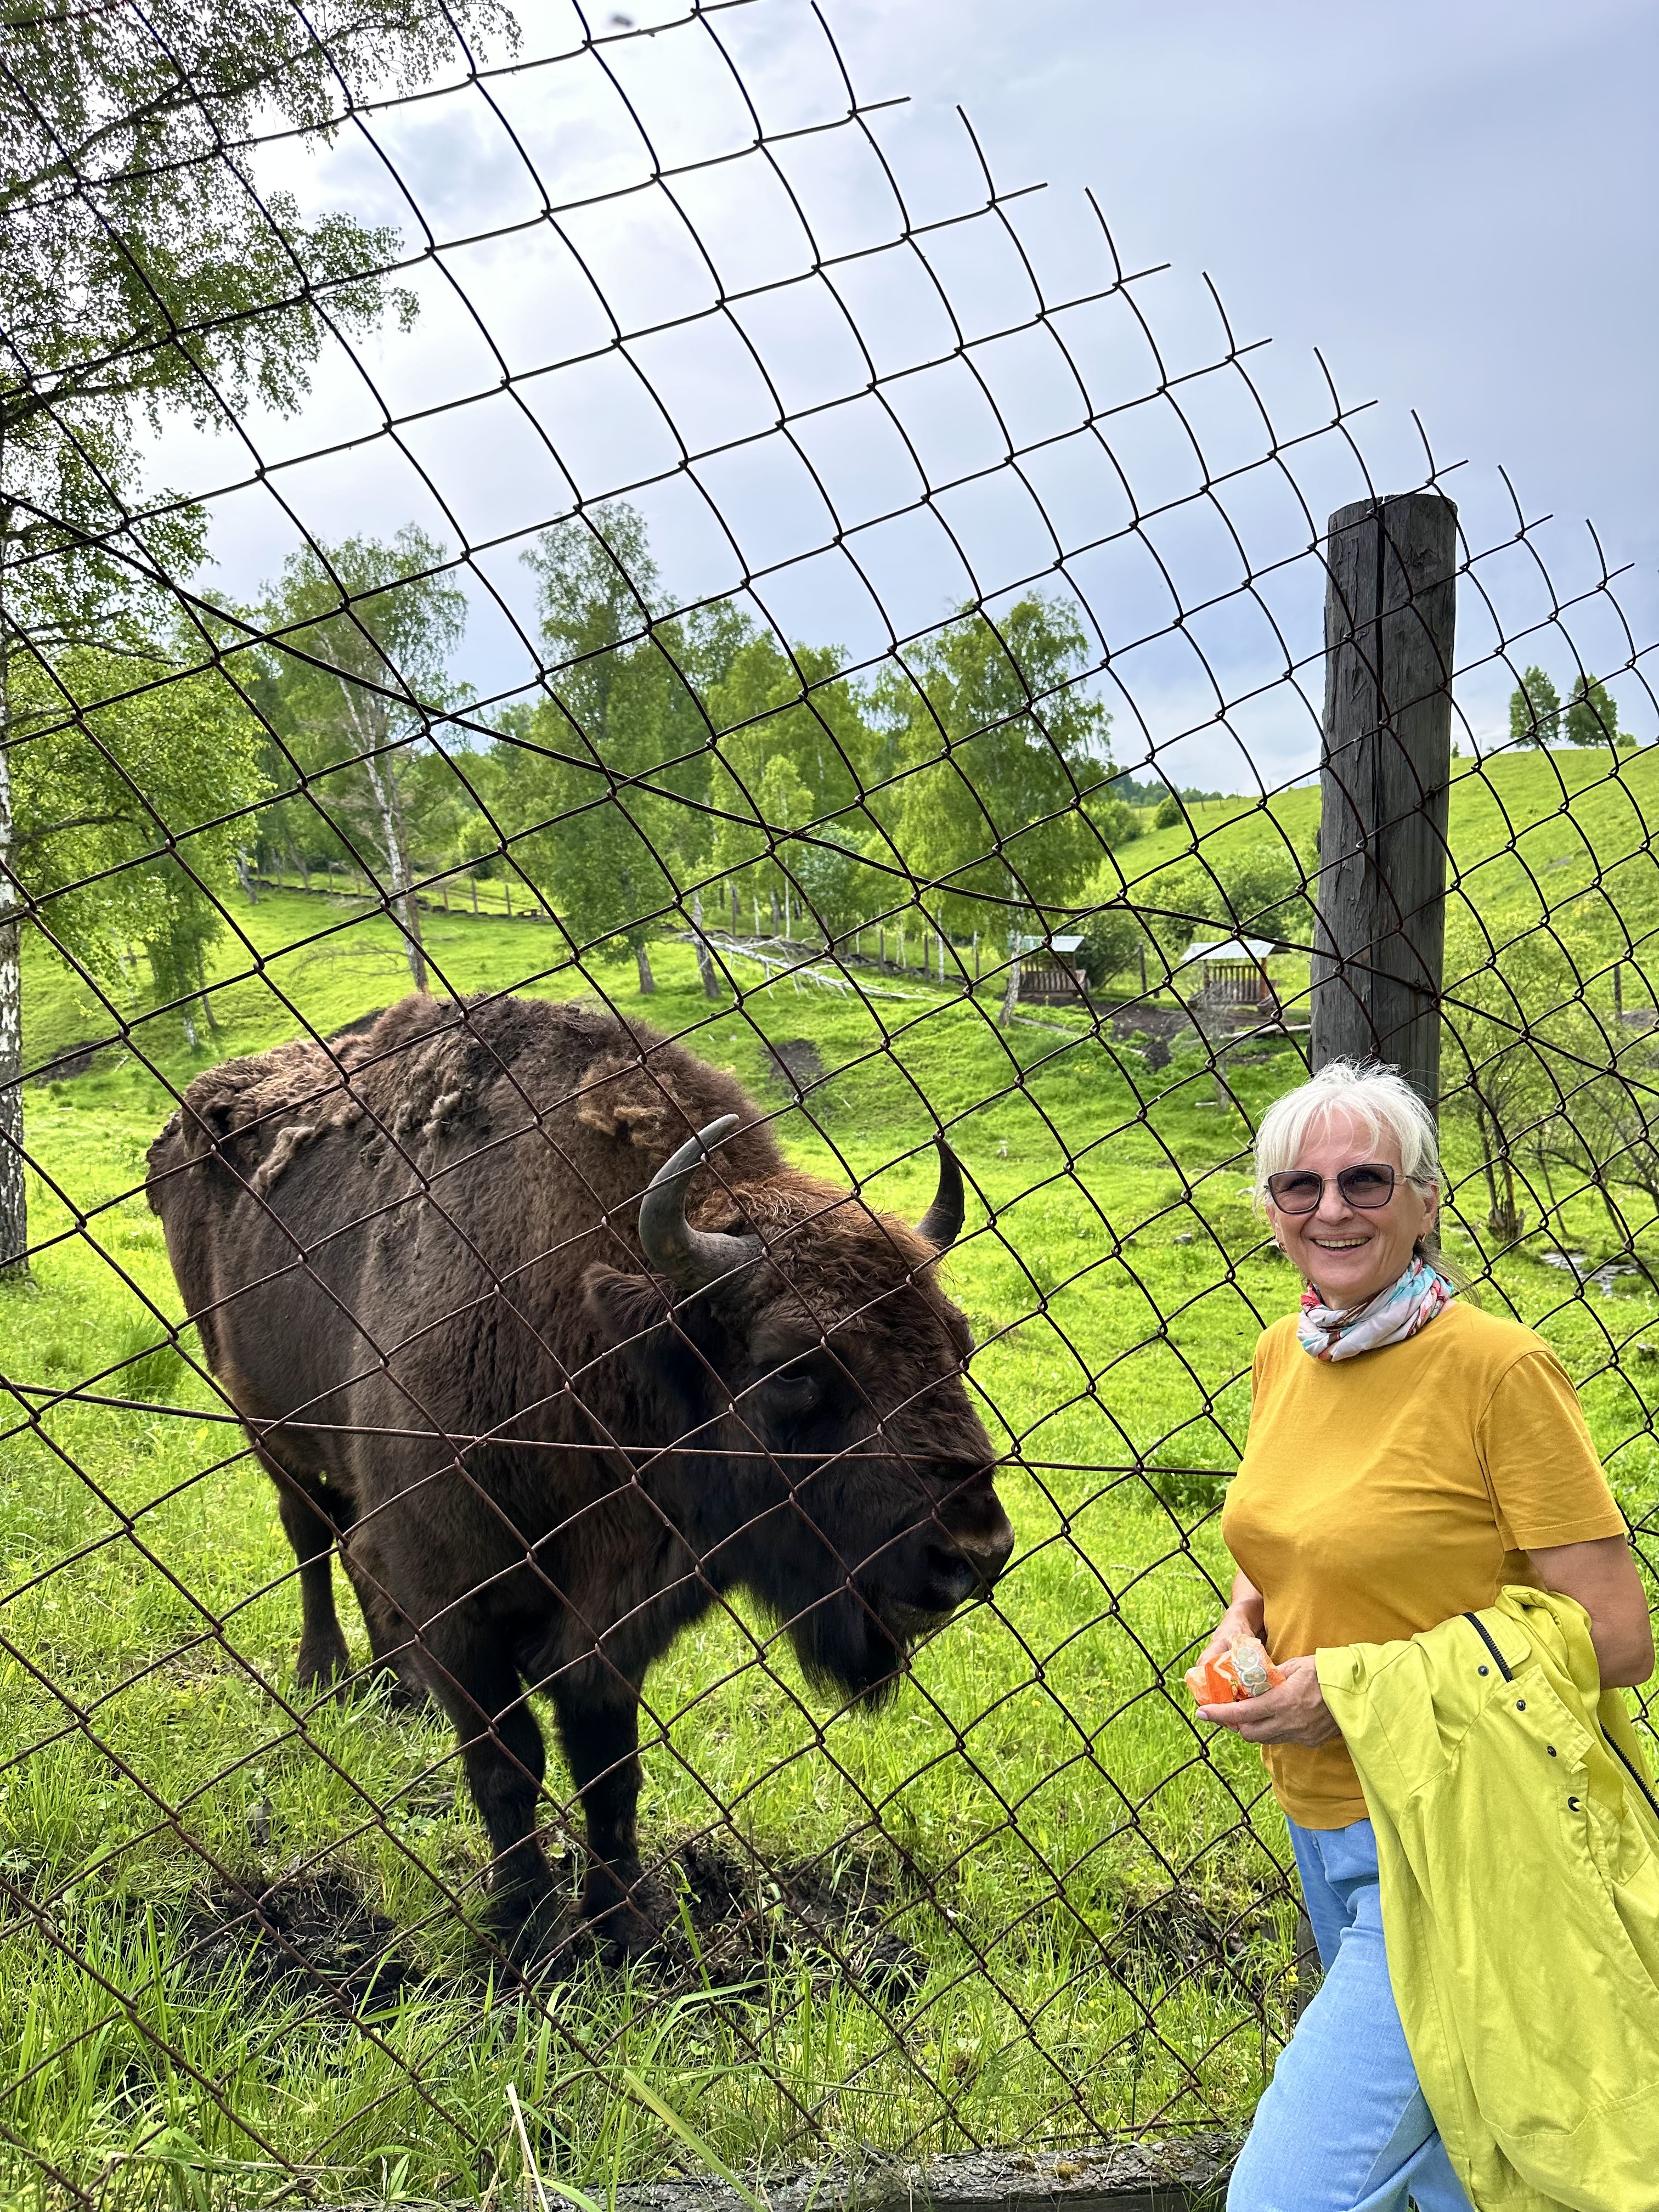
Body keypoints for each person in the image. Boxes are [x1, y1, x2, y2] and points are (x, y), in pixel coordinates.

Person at [1207, 1058, 1654, 2212]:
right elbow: (1294, 1545)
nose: (1332, 1208)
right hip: (1328, 1825)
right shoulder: (1282, 1356)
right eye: (1297, 1186)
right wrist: (1246, 1613)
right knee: (1466, 2172)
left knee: (1289, 2194)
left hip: (1471, 1828)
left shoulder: (1500, 1370)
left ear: (1425, 1200)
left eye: (1366, 1178)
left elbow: (1614, 1638)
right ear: (1269, 1212)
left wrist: (1351, 1687)